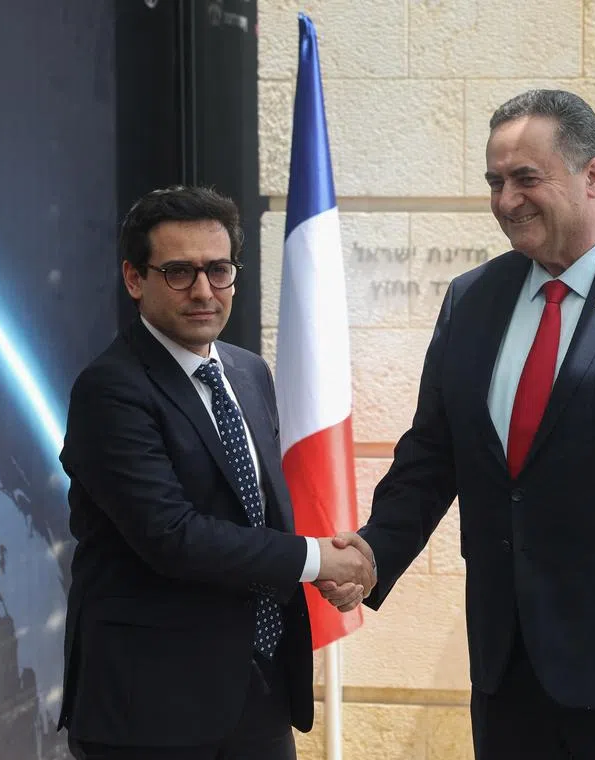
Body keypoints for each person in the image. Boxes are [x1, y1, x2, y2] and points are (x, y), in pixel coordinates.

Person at [333, 89, 595, 759]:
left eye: (526, 178)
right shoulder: (472, 299)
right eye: (496, 182)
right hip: (511, 675)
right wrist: (374, 551)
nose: (507, 200)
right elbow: (432, 455)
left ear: (592, 176)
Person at [58, 186, 372, 760]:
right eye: (179, 272)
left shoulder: (249, 373)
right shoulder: (111, 390)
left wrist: (331, 571)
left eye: (219, 270)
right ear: (134, 278)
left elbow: (257, 515)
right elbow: (173, 538)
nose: (204, 291)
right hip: (150, 712)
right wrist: (316, 559)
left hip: (260, 694)